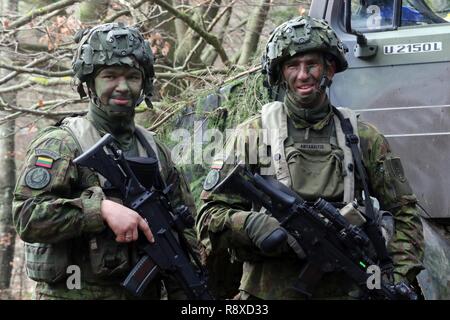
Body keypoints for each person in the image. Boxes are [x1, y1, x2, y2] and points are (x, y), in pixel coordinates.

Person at [196, 16, 424, 300]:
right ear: (280, 73)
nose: (303, 75)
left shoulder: (364, 138)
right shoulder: (252, 134)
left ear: (329, 69)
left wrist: (394, 278)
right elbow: (208, 217)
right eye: (293, 65)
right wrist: (251, 225)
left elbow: (405, 217)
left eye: (311, 65)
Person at [12, 22, 198, 300]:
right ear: (89, 83)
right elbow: (26, 216)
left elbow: (184, 230)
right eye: (110, 76)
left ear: (144, 83)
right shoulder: (63, 143)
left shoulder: (155, 150)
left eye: (132, 77)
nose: (122, 87)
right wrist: (101, 211)